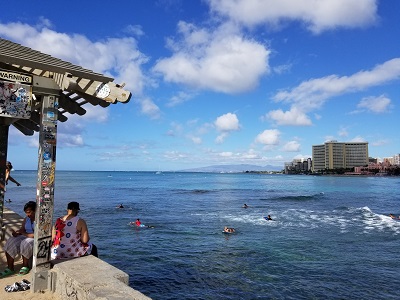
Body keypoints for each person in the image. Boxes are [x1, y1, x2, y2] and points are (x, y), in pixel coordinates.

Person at [0, 201, 36, 277]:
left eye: (29, 212)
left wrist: (24, 234)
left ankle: (25, 266)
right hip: (26, 235)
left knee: (26, 242)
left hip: (35, 238)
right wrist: (17, 233)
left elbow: (35, 235)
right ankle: (10, 267)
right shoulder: (26, 219)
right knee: (11, 241)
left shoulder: (40, 220)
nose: (28, 215)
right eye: (26, 213)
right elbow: (22, 229)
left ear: (35, 210)